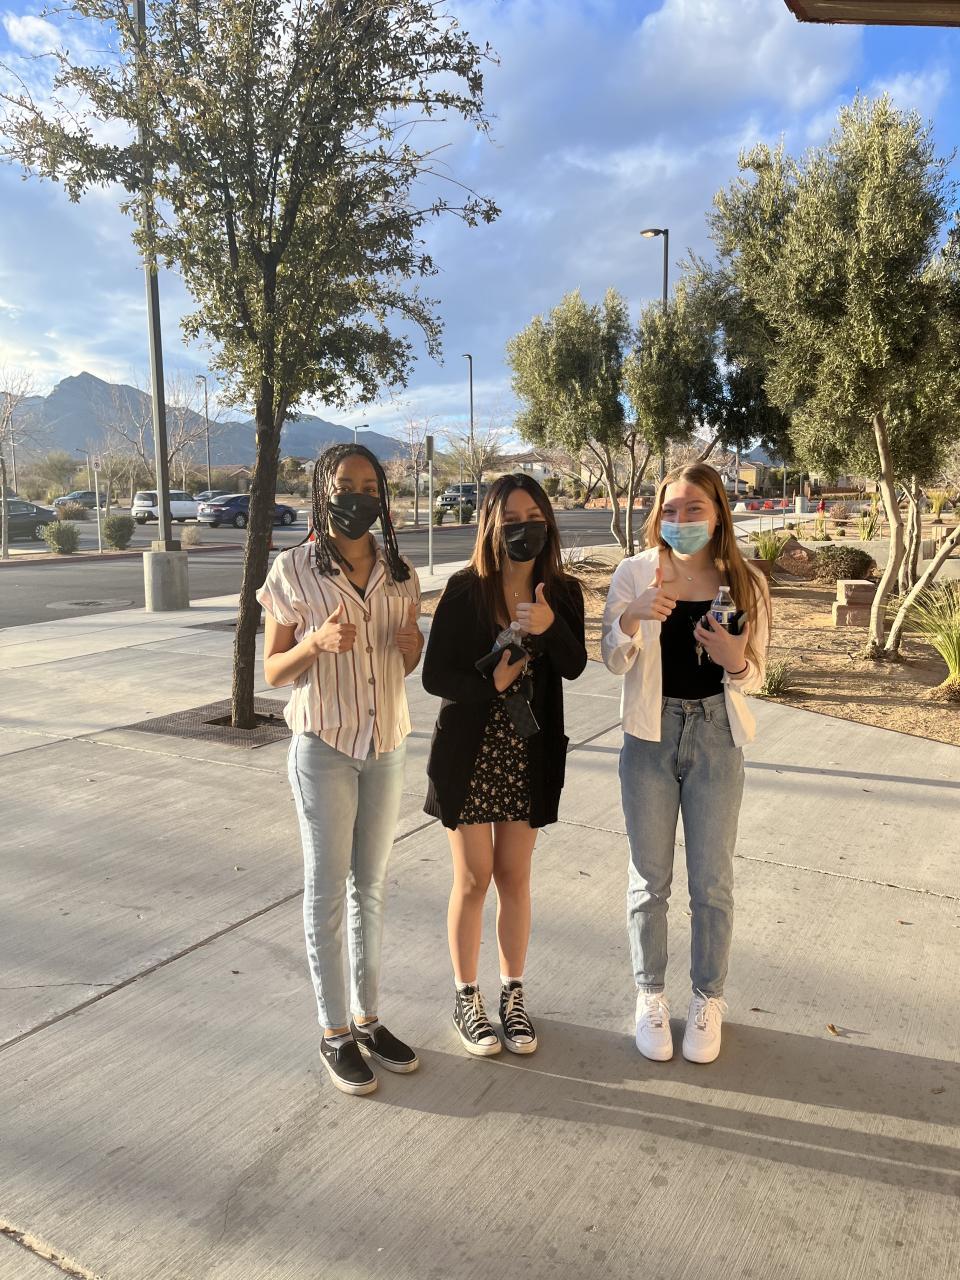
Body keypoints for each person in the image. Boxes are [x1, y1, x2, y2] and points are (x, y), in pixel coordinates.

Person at [257, 444, 424, 1097]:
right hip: (324, 745)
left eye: (370, 487)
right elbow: (274, 671)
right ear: (323, 491)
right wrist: (315, 642)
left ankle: (367, 1020)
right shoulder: (292, 570)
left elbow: (403, 663)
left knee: (370, 888)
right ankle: (333, 1032)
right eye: (346, 485)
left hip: (386, 745)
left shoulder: (400, 574)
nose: (359, 496)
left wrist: (413, 648)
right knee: (327, 891)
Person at [601, 464, 770, 1065]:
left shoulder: (745, 581)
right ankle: (650, 994)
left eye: (694, 509)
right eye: (670, 510)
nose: (680, 520)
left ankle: (707, 998)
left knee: (712, 881)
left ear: (719, 513)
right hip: (649, 736)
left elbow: (756, 675)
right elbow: (612, 659)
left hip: (717, 736)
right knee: (649, 879)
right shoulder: (634, 573)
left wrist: (734, 659)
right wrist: (633, 616)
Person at [422, 474, 587, 1057]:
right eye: (511, 520)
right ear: (492, 526)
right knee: (473, 879)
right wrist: (489, 683)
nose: (525, 530)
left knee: (515, 877)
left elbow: (574, 665)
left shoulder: (562, 592)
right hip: (470, 754)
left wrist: (550, 626)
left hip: (527, 752)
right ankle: (466, 996)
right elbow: (435, 676)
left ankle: (512, 993)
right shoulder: (465, 590)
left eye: (534, 518)